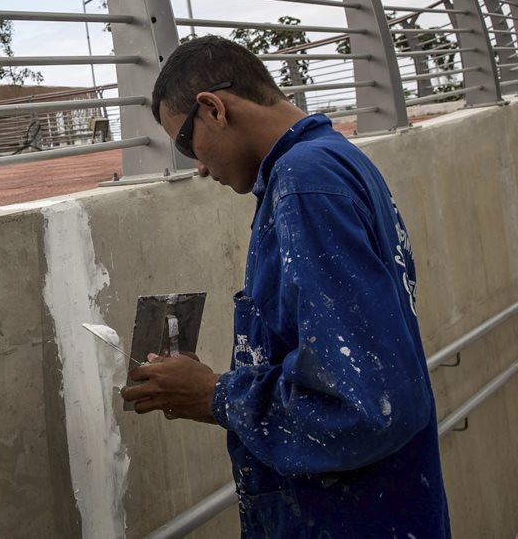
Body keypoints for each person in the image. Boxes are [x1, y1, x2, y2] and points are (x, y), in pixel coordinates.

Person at [120, 36, 450, 537]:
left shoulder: (305, 180)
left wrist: (213, 394)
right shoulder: (333, 161)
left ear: (213, 109)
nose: (200, 167)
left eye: (188, 145)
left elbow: (363, 406)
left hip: (351, 519)